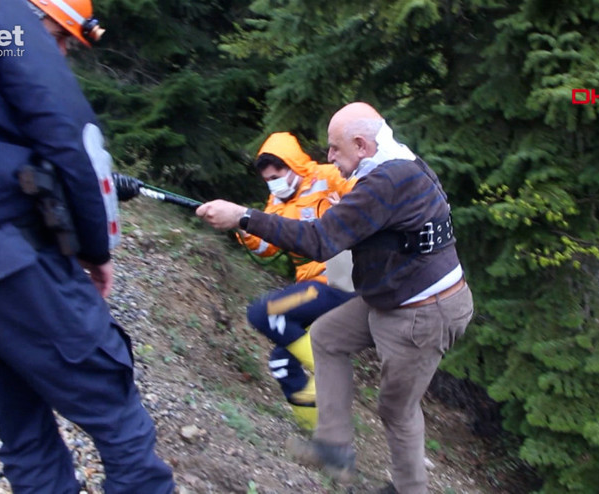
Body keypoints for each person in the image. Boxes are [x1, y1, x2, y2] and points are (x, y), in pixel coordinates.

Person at [0, 1, 174, 493]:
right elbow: (69, 133)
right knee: (113, 408)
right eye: (58, 38)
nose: (59, 52)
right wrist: (96, 248)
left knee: (21, 429)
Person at [197, 102, 474, 494]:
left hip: (423, 311)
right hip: (394, 295)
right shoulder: (391, 164)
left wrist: (244, 216)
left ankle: (409, 489)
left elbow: (319, 241)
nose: (328, 156)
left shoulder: (386, 181)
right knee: (326, 336)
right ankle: (334, 447)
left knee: (396, 410)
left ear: (361, 145)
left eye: (334, 149)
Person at [240, 132, 357, 431]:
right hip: (314, 285)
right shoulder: (276, 202)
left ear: (294, 166)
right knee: (282, 360)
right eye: (267, 179)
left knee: (263, 311)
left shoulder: (328, 176)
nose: (273, 183)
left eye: (277, 175)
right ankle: (319, 434)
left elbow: (367, 194)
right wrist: (242, 226)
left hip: (343, 280)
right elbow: (266, 247)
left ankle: (330, 374)